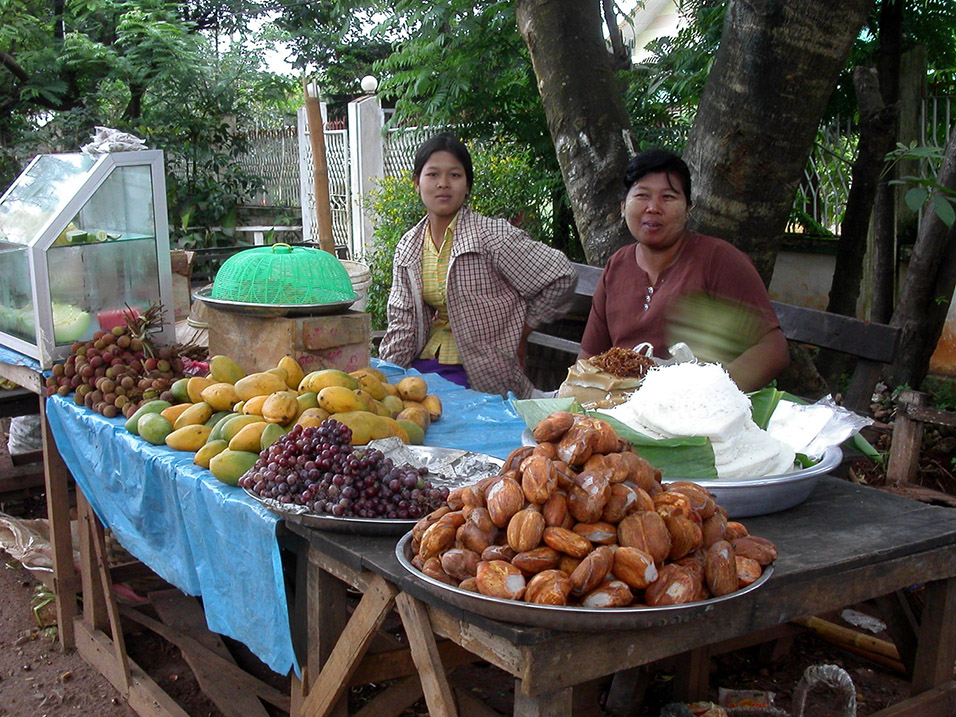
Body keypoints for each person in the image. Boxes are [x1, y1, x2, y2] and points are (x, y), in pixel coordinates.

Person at [379, 134, 577, 398]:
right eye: (433, 175)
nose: (443, 185)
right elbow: (402, 321)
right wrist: (386, 376)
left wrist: (522, 330)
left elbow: (561, 275)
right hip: (423, 366)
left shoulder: (491, 236)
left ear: (468, 185)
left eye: (455, 176)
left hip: (480, 373)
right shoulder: (409, 246)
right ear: (417, 184)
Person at [579, 149, 789, 392]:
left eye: (668, 197)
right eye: (642, 195)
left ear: (688, 208)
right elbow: (589, 357)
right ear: (623, 207)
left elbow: (773, 349)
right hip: (622, 413)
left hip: (694, 412)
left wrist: (708, 396)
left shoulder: (719, 260)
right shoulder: (617, 266)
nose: (653, 207)